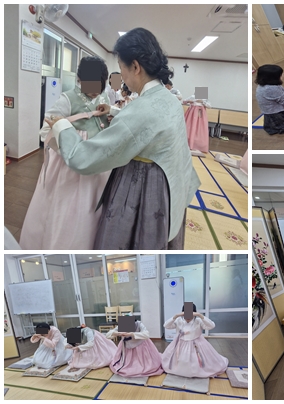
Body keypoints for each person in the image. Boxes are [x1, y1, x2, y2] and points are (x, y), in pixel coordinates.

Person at [44, 28, 200, 250]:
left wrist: (61, 126)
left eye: (121, 69)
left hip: (143, 188)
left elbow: (83, 158)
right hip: (170, 185)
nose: (122, 77)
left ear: (135, 67)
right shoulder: (168, 99)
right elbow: (145, 124)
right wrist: (115, 111)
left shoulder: (141, 109)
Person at [20, 56, 111, 250]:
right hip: (70, 164)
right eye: (90, 84)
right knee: (69, 208)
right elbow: (46, 130)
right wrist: (68, 143)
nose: (95, 90)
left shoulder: (104, 99)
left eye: (99, 85)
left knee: (94, 204)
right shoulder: (67, 99)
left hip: (97, 160)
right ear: (80, 79)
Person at [161, 304, 229, 378]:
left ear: (194, 313)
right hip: (180, 343)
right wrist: (176, 316)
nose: (188, 318)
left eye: (190, 315)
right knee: (179, 360)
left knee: (196, 361)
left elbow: (211, 326)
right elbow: (166, 325)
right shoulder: (179, 320)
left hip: (196, 343)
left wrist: (200, 315)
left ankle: (196, 371)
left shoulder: (198, 321)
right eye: (186, 315)